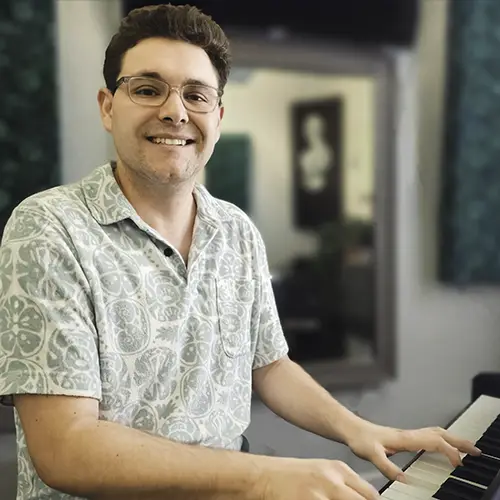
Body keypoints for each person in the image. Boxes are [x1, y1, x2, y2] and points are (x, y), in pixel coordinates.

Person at [0, 4, 480, 500]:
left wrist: (362, 431)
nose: (174, 110)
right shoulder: (49, 228)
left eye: (196, 95)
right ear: (107, 106)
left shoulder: (236, 231)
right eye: (147, 89)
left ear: (219, 117)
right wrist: (263, 475)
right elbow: (64, 447)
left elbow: (269, 366)